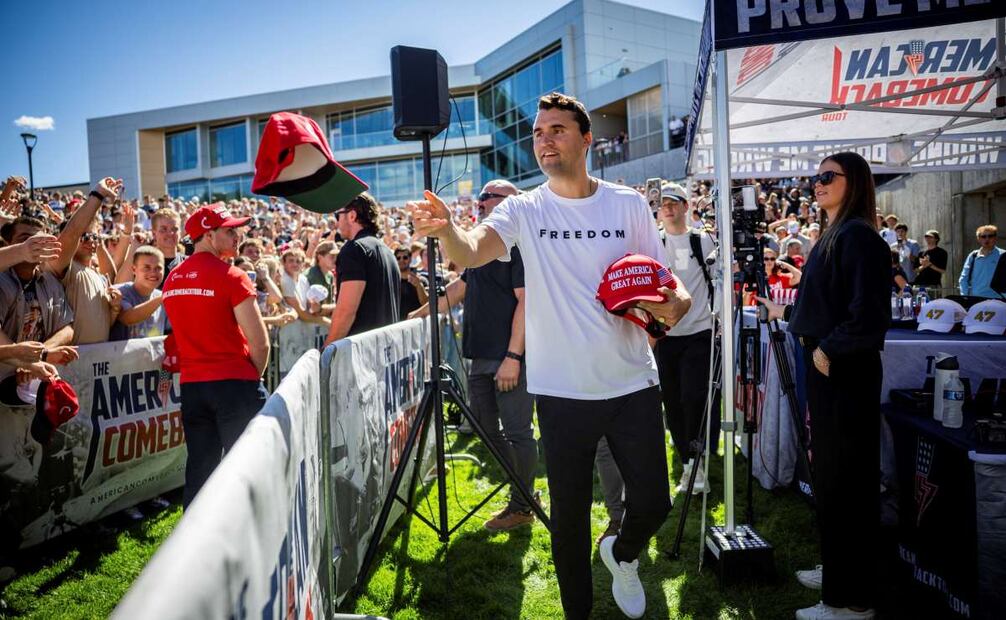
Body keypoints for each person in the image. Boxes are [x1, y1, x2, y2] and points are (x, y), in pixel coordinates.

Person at [409, 92, 691, 620]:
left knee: (654, 502)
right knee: (567, 521)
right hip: (561, 391)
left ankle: (622, 553)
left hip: (632, 382)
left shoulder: (627, 203)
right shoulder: (524, 207)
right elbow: (470, 252)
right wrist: (446, 228)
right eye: (538, 133)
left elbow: (666, 285)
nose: (544, 140)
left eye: (557, 129)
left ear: (587, 139)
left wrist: (676, 304)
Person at [759, 152, 890, 620]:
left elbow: (869, 317)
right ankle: (839, 572)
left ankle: (851, 602)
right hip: (829, 368)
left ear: (853, 182)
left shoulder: (858, 237)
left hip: (843, 371)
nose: (817, 183)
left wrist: (827, 349)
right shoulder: (837, 234)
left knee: (847, 484)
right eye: (815, 177)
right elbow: (826, 305)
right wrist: (789, 317)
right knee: (833, 481)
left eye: (827, 176)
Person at [411, 179, 539, 531]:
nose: (480, 202)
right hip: (480, 356)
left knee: (518, 432)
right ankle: (525, 495)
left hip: (509, 355)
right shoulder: (482, 246)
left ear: (512, 202)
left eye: (488, 197)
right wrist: (419, 315)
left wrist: (513, 355)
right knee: (484, 429)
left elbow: (526, 303)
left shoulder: (519, 246)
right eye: (480, 197)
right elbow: (459, 288)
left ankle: (523, 504)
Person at [162, 204, 270, 508]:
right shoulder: (232, 275)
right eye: (229, 231)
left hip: (194, 388)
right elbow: (260, 343)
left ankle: (193, 547)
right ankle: (250, 542)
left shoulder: (172, 279)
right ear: (208, 235)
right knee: (249, 468)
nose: (237, 236)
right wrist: (252, 379)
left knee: (201, 469)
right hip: (235, 384)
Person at [325, 193, 400, 345]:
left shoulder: (354, 249)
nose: (336, 222)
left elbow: (346, 311)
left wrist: (327, 350)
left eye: (338, 215)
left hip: (363, 354)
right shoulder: (387, 251)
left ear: (352, 216)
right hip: (386, 351)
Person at [110, 246, 167, 340]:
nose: (153, 272)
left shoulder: (162, 296)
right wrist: (163, 297)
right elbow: (128, 318)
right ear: (133, 269)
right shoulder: (120, 292)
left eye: (158, 268)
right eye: (147, 267)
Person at [959, 225, 1004, 299]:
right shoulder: (973, 256)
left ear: (995, 238)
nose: (987, 239)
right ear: (978, 239)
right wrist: (965, 296)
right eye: (983, 236)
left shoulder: (1003, 255)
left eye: (990, 236)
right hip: (976, 300)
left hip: (998, 299)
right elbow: (964, 278)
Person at [396, 246, 428, 318]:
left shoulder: (421, 280)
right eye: (398, 258)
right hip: (397, 324)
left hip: (415, 322)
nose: (401, 260)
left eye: (405, 257)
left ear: (410, 259)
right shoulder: (392, 282)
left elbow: (426, 304)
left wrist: (419, 286)